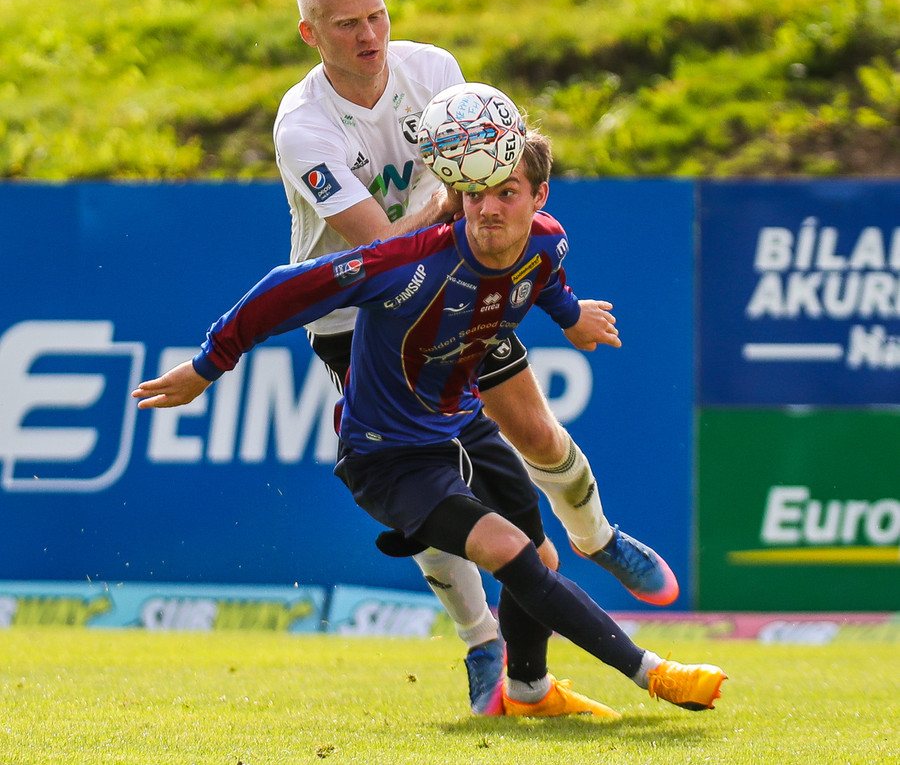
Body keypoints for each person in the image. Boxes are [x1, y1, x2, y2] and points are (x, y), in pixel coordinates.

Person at [133, 129, 727, 718]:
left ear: (539, 197)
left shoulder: (547, 242)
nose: (489, 208)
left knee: (540, 559)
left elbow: (546, 279)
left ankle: (528, 692)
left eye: (507, 192)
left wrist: (571, 317)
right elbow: (284, 289)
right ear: (458, 194)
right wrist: (208, 365)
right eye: (475, 193)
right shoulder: (407, 264)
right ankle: (652, 672)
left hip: (464, 426)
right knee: (511, 550)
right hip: (390, 456)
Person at [269, 0, 678, 714]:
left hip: (455, 284)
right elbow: (378, 251)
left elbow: (499, 179)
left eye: (377, 15)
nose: (369, 34)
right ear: (309, 33)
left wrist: (551, 285)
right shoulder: (305, 127)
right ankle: (481, 639)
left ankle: (597, 535)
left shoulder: (434, 72)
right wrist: (454, 193)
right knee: (429, 481)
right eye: (347, 24)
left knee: (537, 429)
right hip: (360, 316)